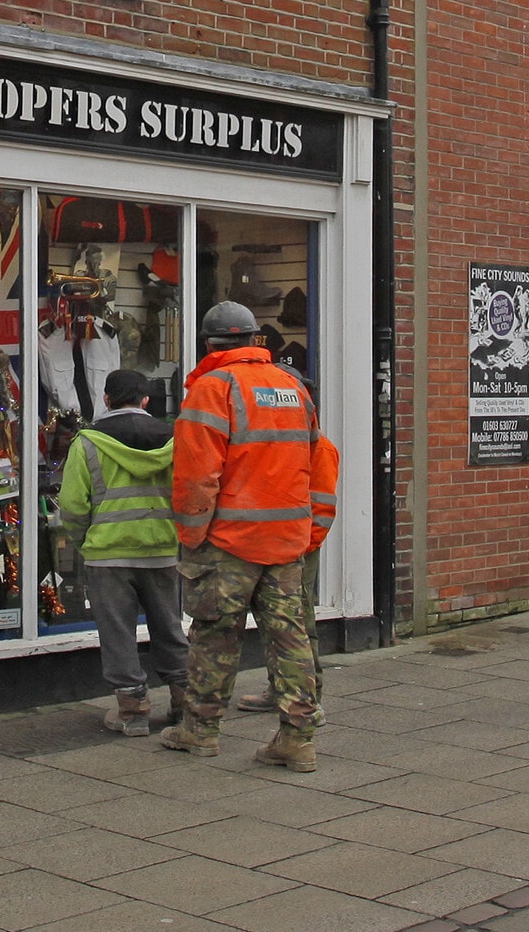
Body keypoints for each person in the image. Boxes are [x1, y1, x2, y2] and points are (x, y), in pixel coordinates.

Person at [164, 301, 333, 772]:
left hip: (230, 540)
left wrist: (192, 534)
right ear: (255, 339)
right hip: (286, 540)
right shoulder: (292, 386)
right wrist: (309, 528)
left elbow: (196, 474)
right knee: (290, 637)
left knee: (215, 637)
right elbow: (315, 458)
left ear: (209, 343)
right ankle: (298, 739)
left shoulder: (212, 388)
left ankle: (200, 731)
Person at [58, 368, 187, 737]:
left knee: (118, 634)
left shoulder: (87, 443)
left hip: (108, 554)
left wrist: (86, 540)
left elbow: (71, 505)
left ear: (106, 399)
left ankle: (133, 711)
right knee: (170, 629)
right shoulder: (175, 438)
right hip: (162, 550)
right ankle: (185, 702)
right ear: (146, 401)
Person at [238, 372, 337, 722]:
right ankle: (281, 687)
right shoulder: (289, 445)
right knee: (279, 621)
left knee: (299, 620)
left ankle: (310, 694)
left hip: (299, 547)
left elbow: (323, 505)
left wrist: (304, 546)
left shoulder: (319, 448)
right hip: (286, 542)